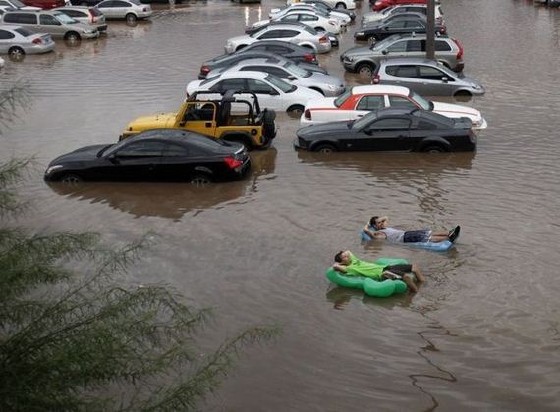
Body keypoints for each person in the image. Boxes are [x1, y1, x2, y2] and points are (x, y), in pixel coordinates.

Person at [332, 250, 425, 293]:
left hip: (386, 267)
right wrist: (340, 264)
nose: (347, 256)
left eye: (346, 256)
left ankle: (423, 284)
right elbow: (335, 267)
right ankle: (415, 293)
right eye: (344, 257)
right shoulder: (350, 268)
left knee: (414, 267)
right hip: (382, 274)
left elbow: (348, 251)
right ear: (342, 261)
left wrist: (343, 255)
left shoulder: (354, 260)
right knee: (406, 277)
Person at [363, 216, 461, 244]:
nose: (380, 223)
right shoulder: (378, 233)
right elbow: (371, 234)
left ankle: (450, 232)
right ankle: (448, 239)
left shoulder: (384, 227)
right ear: (375, 226)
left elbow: (386, 217)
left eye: (380, 222)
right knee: (427, 238)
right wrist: (367, 227)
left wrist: (378, 220)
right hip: (405, 238)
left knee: (428, 232)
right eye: (378, 223)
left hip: (406, 233)